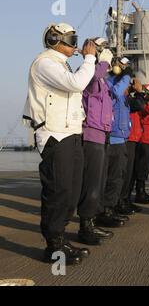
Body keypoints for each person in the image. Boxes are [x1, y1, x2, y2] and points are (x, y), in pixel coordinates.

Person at [23, 23, 96, 265]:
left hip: (71, 133)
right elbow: (76, 84)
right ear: (55, 39)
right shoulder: (45, 63)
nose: (75, 44)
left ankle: (61, 237)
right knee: (58, 191)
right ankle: (53, 247)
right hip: (55, 135)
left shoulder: (60, 64)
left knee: (72, 192)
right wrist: (89, 58)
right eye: (71, 39)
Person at [76, 38, 115, 246]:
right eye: (103, 50)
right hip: (90, 134)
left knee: (98, 182)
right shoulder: (89, 73)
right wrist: (102, 62)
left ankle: (91, 221)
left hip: (102, 134)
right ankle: (84, 227)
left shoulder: (101, 79)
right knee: (91, 183)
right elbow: (93, 75)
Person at [96, 57, 133, 227]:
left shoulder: (120, 84)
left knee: (118, 177)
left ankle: (112, 207)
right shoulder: (108, 82)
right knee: (111, 177)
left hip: (121, 136)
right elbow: (116, 93)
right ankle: (105, 212)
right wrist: (125, 77)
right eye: (122, 66)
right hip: (113, 137)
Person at [118, 77, 146, 214]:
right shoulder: (122, 98)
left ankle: (126, 200)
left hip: (133, 138)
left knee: (130, 174)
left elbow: (141, 105)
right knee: (125, 174)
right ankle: (121, 202)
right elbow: (140, 105)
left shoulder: (128, 98)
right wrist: (139, 91)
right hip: (127, 138)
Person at [132, 84, 149, 204]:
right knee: (142, 167)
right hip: (144, 140)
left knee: (145, 167)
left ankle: (142, 191)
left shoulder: (145, 102)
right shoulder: (142, 103)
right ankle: (139, 192)